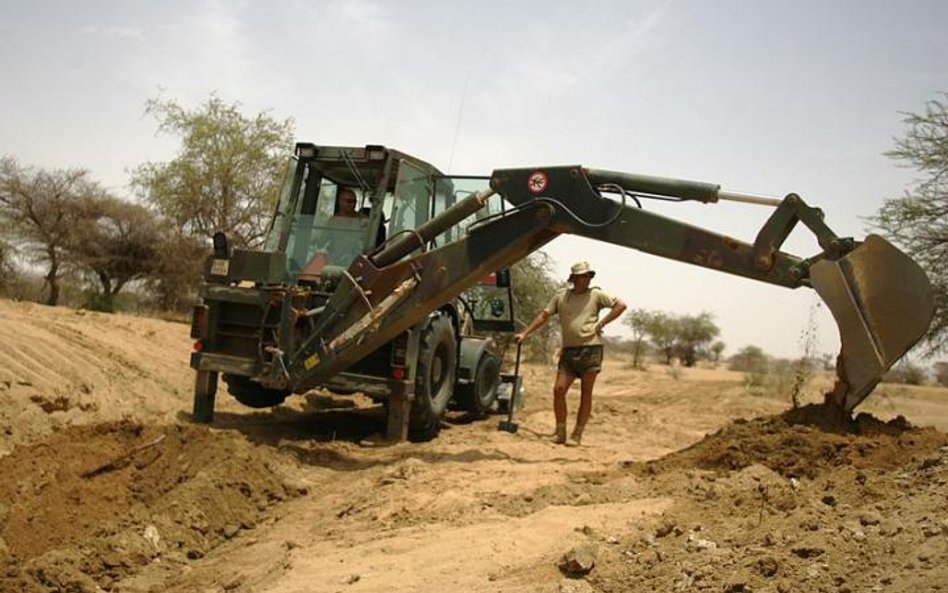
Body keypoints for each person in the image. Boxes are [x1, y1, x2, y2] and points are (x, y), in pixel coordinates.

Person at [514, 261, 627, 446]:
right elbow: (544, 315)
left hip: (591, 349)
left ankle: (577, 434)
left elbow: (621, 305)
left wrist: (602, 323)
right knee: (559, 390)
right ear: (573, 278)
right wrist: (525, 333)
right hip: (569, 351)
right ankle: (560, 432)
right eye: (581, 276)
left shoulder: (596, 294)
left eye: (587, 276)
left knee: (586, 393)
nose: (585, 280)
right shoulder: (561, 296)